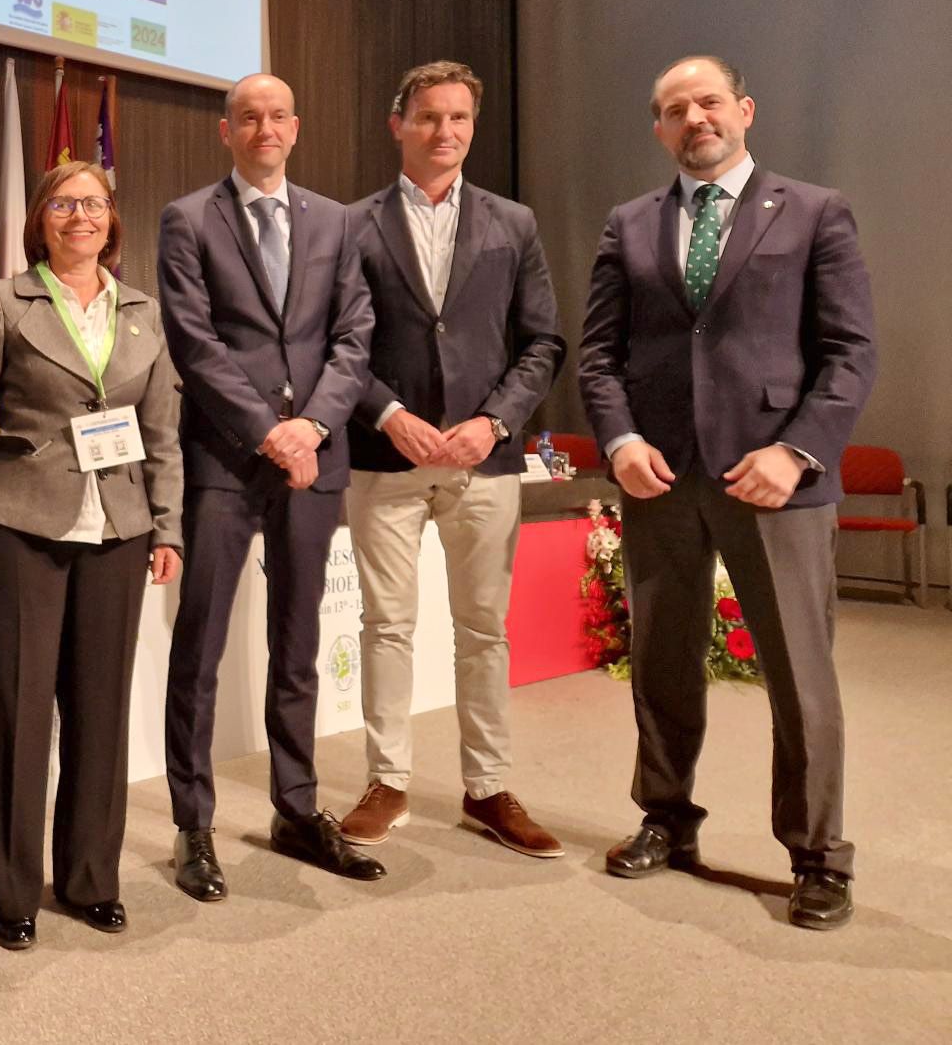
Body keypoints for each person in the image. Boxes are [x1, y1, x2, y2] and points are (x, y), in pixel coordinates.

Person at [580, 55, 876, 930]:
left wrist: (797, 452)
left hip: (774, 483)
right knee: (663, 664)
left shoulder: (816, 211)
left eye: (709, 102)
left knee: (800, 677)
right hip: (661, 478)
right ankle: (666, 819)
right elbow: (600, 356)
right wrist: (621, 439)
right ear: (660, 130)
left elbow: (850, 353)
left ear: (743, 109)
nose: (695, 118)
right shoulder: (629, 225)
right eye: (676, 110)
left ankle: (819, 857)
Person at [0, 161, 182, 949]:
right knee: (15, 713)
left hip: (119, 528)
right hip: (18, 525)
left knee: (101, 712)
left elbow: (162, 436)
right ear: (42, 217)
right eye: (65, 204)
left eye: (96, 204)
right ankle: (11, 893)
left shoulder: (143, 310)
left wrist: (169, 527)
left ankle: (89, 880)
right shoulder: (6, 300)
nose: (81, 216)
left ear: (114, 220)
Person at [158, 73, 381, 896]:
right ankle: (194, 825)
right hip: (225, 457)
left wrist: (313, 426)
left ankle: (296, 807)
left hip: (314, 457)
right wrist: (266, 430)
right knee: (203, 644)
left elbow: (355, 334)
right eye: (248, 117)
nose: (264, 129)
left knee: (298, 647)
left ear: (296, 126)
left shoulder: (338, 219)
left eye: (278, 115)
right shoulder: (188, 219)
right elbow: (193, 339)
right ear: (227, 132)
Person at [338, 62, 565, 857]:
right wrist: (388, 412)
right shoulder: (350, 226)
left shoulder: (515, 223)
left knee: (483, 630)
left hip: (481, 462)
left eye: (460, 118)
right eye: (430, 117)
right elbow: (333, 347)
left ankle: (489, 787)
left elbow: (542, 343)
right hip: (382, 457)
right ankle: (387, 780)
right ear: (397, 123)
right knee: (387, 626)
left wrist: (496, 423)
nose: (446, 133)